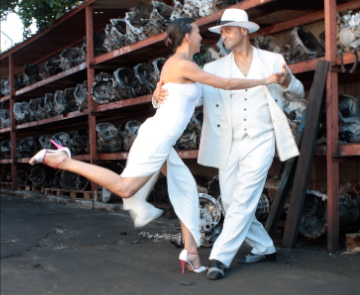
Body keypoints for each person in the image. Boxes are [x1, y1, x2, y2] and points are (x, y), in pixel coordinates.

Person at [29, 17, 282, 275]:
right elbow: (225, 84)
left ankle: (192, 253)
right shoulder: (182, 64)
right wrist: (264, 80)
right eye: (196, 32)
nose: (199, 36)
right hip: (158, 137)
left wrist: (155, 94)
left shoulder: (182, 65)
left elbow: (166, 95)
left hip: (161, 135)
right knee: (125, 188)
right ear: (187, 37)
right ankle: (63, 159)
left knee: (187, 191)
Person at [153, 9, 305, 280]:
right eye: (221, 32)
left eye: (227, 30)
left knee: (244, 198)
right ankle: (266, 247)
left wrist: (288, 81)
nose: (222, 36)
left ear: (244, 30)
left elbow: (298, 91)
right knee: (233, 201)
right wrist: (159, 93)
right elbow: (188, 97)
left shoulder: (272, 60)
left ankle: (219, 258)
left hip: (261, 140)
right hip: (227, 144)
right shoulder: (212, 70)